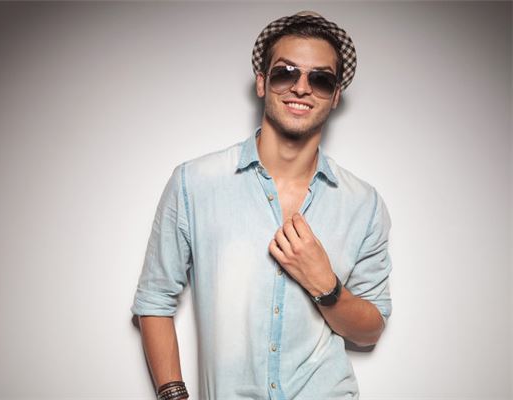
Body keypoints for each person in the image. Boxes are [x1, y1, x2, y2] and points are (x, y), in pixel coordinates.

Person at [131, 11, 393, 400]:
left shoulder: (364, 204)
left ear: (335, 96)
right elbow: (154, 301)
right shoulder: (195, 183)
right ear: (262, 82)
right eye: (286, 73)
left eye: (320, 79)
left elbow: (369, 331)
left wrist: (325, 284)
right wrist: (174, 395)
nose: (301, 88)